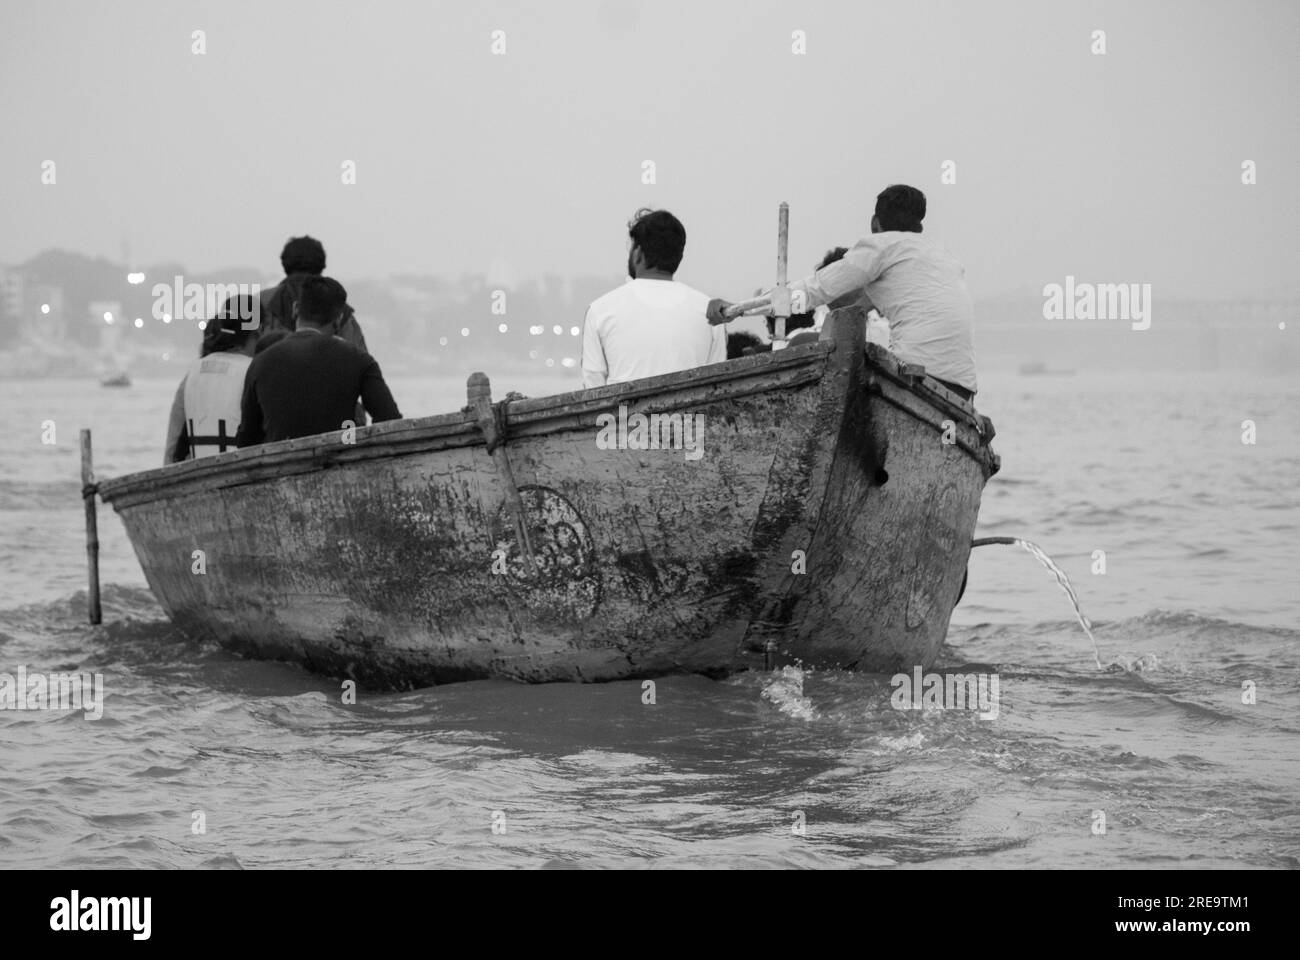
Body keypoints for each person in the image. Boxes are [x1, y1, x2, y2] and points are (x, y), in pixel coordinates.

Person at [709, 185, 977, 398]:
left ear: (875, 224)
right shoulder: (942, 256)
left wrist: (734, 310)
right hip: (963, 387)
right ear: (919, 227)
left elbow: (814, 290)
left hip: (915, 381)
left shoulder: (881, 246)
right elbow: (860, 305)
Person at [236, 276, 401, 447]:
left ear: (295, 309)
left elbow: (248, 437)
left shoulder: (261, 362)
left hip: (281, 467)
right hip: (340, 461)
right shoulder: (359, 360)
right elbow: (390, 421)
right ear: (338, 319)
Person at [582, 208, 726, 388]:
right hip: (691, 416)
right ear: (678, 256)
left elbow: (592, 391)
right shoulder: (710, 313)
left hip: (624, 416)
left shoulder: (600, 311)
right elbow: (717, 388)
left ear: (638, 253)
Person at [163, 295, 260, 464]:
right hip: (241, 471)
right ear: (254, 334)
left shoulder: (193, 373)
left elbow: (174, 446)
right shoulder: (253, 369)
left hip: (198, 472)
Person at [259, 235, 369, 352]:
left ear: (285, 263)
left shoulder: (262, 301)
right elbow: (359, 355)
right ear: (321, 265)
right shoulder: (337, 304)